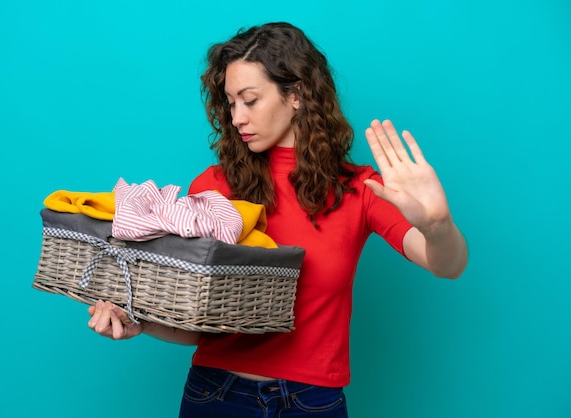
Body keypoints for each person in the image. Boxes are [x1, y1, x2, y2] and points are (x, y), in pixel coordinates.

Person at [87, 22, 468, 417]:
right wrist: (143, 323)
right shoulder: (215, 186)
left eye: (250, 100)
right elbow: (198, 321)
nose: (237, 117)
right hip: (216, 395)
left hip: (312, 403)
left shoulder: (358, 190)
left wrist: (437, 225)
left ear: (298, 95)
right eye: (231, 102)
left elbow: (448, 265)